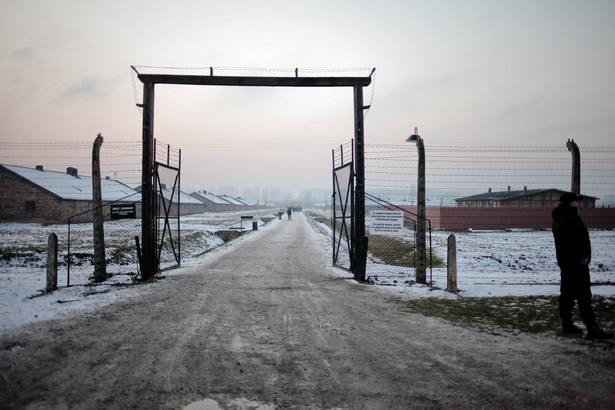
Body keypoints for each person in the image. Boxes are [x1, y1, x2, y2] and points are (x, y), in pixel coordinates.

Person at [552, 192, 613, 339]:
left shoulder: (558, 218)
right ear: (570, 203)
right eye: (576, 202)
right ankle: (592, 328)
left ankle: (567, 324)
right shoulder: (571, 218)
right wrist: (583, 256)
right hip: (576, 263)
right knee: (583, 295)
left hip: (566, 262)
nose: (578, 204)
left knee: (567, 294)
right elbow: (576, 241)